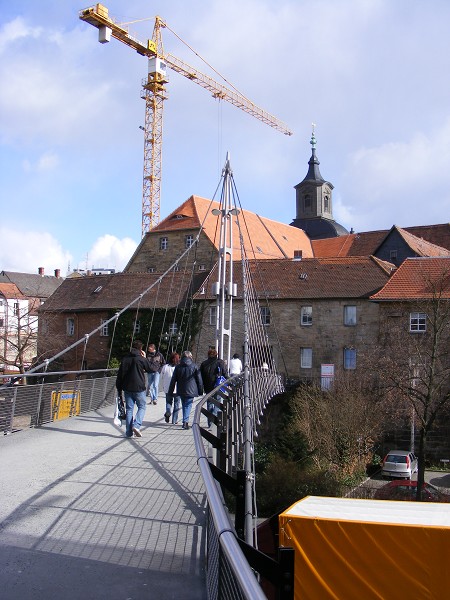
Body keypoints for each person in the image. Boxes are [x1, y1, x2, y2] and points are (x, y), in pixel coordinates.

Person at [116, 340, 153, 439]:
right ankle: (136, 425)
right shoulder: (141, 359)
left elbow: (120, 375)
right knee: (142, 407)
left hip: (127, 388)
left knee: (129, 409)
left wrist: (119, 388)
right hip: (139, 388)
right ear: (141, 349)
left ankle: (128, 433)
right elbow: (151, 369)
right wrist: (145, 358)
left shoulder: (125, 359)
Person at [168, 350, 203, 430]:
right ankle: (185, 422)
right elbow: (199, 380)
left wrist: (170, 391)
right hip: (191, 389)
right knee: (188, 405)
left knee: (184, 404)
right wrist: (200, 390)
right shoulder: (194, 366)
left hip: (181, 389)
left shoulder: (178, 367)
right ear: (190, 357)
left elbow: (173, 380)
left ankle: (185, 420)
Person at [200, 348, 228, 428]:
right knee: (218, 403)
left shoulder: (203, 364)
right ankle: (213, 418)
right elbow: (225, 373)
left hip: (207, 386)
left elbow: (200, 376)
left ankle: (210, 422)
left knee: (209, 403)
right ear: (216, 354)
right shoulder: (220, 362)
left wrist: (201, 387)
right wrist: (230, 381)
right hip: (218, 386)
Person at [160, 352, 181, 424]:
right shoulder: (178, 367)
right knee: (176, 404)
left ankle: (168, 411)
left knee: (168, 402)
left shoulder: (165, 367)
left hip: (167, 388)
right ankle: (174, 421)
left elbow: (161, 377)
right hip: (177, 389)